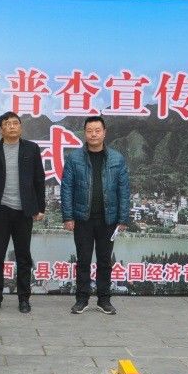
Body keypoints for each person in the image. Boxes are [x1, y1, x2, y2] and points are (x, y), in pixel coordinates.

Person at [0, 111, 46, 313]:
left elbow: (39, 179)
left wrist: (40, 208)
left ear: (21, 127)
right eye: (7, 123)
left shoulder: (31, 149)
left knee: (23, 257)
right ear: (1, 129)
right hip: (0, 211)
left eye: (15, 123)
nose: (12, 126)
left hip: (24, 212)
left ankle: (24, 299)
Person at [60, 115, 130, 315]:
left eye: (97, 130)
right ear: (85, 133)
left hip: (108, 220)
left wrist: (123, 218)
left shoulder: (117, 158)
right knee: (83, 260)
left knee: (104, 261)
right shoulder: (74, 158)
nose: (93, 134)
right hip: (83, 219)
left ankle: (104, 300)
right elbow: (67, 188)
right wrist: (68, 217)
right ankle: (82, 299)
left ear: (104, 133)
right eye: (89, 131)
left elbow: (124, 190)